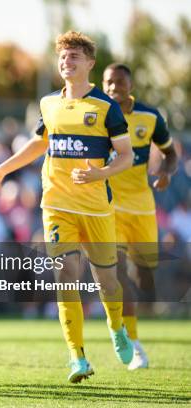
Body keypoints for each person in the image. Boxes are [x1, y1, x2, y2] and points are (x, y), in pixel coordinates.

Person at [0, 31, 135, 383]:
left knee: (106, 281)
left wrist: (101, 173)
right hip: (55, 204)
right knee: (66, 276)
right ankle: (77, 357)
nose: (66, 62)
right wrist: (2, 170)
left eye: (74, 57)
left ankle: (116, 328)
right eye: (63, 57)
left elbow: (125, 156)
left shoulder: (105, 108)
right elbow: (39, 144)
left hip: (96, 209)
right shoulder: (48, 103)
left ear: (89, 64)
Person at [102, 63, 178, 370]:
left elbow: (170, 153)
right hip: (110, 208)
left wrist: (165, 172)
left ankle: (129, 322)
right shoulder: (98, 116)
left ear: (130, 85)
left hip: (143, 208)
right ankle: (130, 341)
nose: (113, 88)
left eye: (119, 82)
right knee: (118, 275)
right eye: (108, 82)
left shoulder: (150, 116)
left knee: (145, 276)